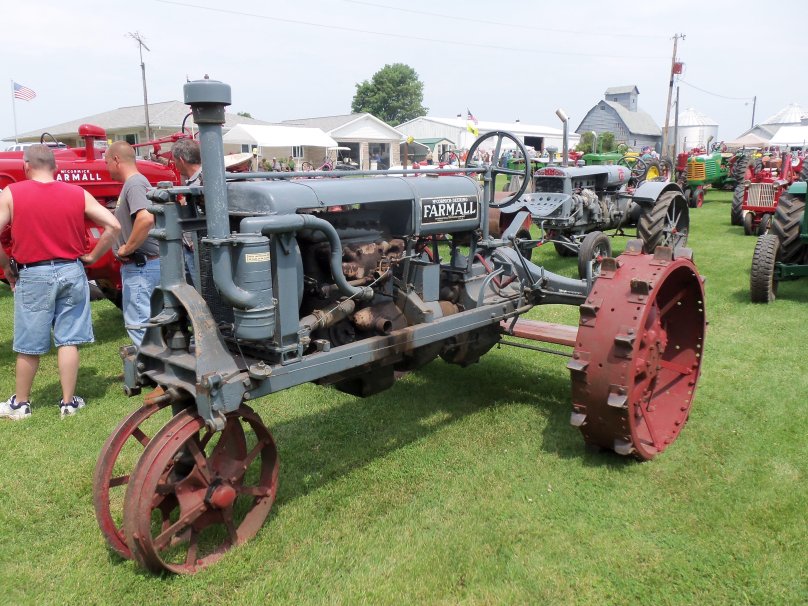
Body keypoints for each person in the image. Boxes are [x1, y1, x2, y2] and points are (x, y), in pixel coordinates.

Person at [0, 144, 121, 419]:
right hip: (71, 270)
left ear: (25, 166)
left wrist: (6, 265)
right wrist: (93, 255)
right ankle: (68, 403)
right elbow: (114, 225)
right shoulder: (77, 193)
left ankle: (21, 404)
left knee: (29, 342)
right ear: (56, 168)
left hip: (33, 273)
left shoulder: (12, 193)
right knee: (68, 339)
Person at [105, 141, 161, 348]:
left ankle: (156, 374)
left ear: (117, 160)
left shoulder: (135, 183)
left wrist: (127, 248)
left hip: (141, 268)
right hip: (145, 266)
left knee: (139, 323)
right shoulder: (136, 183)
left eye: (107, 161)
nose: (106, 166)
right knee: (151, 321)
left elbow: (145, 219)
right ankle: (147, 368)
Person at [171, 138, 202, 285]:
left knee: (202, 292)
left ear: (181, 160)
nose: (175, 165)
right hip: (192, 247)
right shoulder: (193, 182)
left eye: (175, 161)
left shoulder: (200, 183)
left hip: (199, 250)